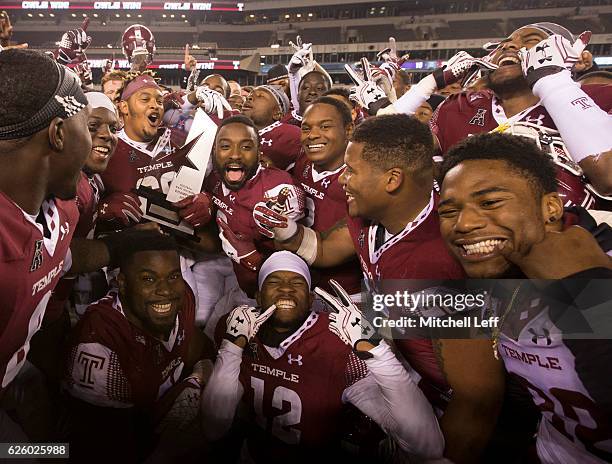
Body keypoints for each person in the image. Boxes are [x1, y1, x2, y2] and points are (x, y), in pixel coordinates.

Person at [261, 114, 502, 463]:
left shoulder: (443, 259)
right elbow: (327, 249)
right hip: (403, 365)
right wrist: (289, 234)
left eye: (352, 170)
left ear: (392, 180)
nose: (342, 179)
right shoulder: (368, 215)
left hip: (444, 400)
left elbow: (478, 399)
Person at [437, 131, 612, 464]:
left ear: (550, 207)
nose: (464, 223)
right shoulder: (477, 284)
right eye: (448, 211)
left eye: (489, 202)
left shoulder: (600, 261)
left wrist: (583, 288)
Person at [201, 251, 444, 463]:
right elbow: (214, 428)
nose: (286, 288)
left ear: (310, 299)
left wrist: (377, 353)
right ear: (258, 296)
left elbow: (427, 447)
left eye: (297, 282)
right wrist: (232, 348)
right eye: (274, 281)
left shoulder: (340, 340)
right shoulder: (236, 328)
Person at [0, 49, 131, 442]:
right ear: (58, 133)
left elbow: (59, 256)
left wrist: (128, 245)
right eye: (86, 128)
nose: (100, 141)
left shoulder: (63, 205)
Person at [63, 231, 212, 461]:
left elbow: (198, 346)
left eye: (173, 276)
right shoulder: (100, 341)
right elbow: (105, 448)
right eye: (148, 279)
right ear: (122, 284)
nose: (165, 290)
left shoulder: (181, 299)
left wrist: (197, 379)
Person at [205, 115, 304, 298]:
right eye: (225, 146)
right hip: (237, 279)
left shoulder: (278, 189)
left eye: (246, 147)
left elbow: (296, 261)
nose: (235, 154)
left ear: (260, 153)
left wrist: (255, 260)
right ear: (214, 151)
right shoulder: (214, 179)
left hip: (268, 293)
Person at [289, 96, 361, 295]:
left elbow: (324, 250)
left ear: (348, 130)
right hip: (302, 285)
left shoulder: (361, 178)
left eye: (325, 126)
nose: (312, 135)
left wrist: (282, 230)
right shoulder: (302, 160)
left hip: (346, 293)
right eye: (306, 128)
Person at [241, 85, 302, 170]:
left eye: (260, 96)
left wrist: (272, 172)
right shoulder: (233, 131)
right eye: (249, 96)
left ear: (276, 113)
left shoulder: (291, 135)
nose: (249, 98)